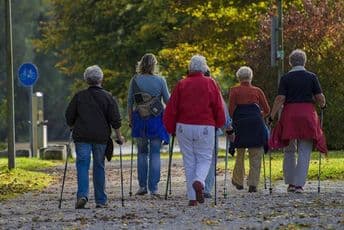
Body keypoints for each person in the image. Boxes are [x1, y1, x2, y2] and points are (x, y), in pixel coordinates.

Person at [163, 55, 225, 206]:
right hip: (205, 126)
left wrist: (170, 128)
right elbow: (218, 106)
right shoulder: (211, 83)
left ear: (190, 68)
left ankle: (192, 198)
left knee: (189, 160)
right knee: (204, 158)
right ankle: (200, 181)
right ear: (204, 68)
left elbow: (172, 108)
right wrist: (220, 123)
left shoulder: (181, 84)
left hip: (184, 126)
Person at [65, 65, 124, 209]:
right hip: (100, 137)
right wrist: (119, 136)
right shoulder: (108, 97)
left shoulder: (79, 96)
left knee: (82, 166)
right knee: (99, 166)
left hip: (82, 136)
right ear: (101, 79)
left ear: (86, 80)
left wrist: (72, 125)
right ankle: (101, 200)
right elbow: (115, 119)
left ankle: (82, 196)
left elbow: (69, 115)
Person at [269, 49, 327, 193]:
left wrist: (272, 115)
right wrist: (323, 105)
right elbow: (320, 97)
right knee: (304, 150)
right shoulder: (312, 77)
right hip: (307, 114)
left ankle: (290, 182)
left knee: (289, 149)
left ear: (290, 62)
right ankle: (299, 184)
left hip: (290, 114)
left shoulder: (285, 78)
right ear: (304, 61)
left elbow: (280, 99)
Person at [127, 53, 170, 197]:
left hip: (140, 119)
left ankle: (142, 186)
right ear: (154, 65)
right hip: (156, 119)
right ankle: (154, 187)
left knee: (142, 152)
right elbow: (168, 101)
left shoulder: (135, 80)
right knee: (155, 153)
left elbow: (129, 102)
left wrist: (131, 120)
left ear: (141, 64)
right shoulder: (160, 80)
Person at [229, 66, 270, 193]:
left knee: (240, 153)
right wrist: (259, 116)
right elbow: (267, 110)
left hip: (240, 124)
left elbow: (231, 111)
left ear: (239, 78)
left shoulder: (234, 90)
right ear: (250, 77)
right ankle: (253, 183)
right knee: (256, 153)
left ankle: (238, 181)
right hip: (256, 124)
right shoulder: (257, 91)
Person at [203, 69, 233, 199]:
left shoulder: (186, 85)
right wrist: (228, 127)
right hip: (211, 127)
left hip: (190, 127)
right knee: (211, 158)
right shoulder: (213, 86)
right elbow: (221, 109)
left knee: (195, 158)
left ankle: (196, 185)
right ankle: (206, 188)